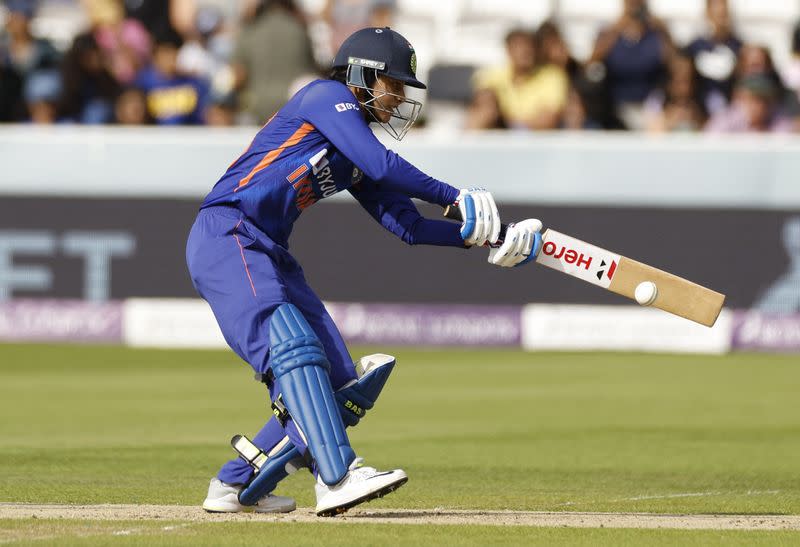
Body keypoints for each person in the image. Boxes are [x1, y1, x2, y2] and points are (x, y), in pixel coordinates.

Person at [186, 27, 543, 517]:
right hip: (229, 233)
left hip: (266, 248)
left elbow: (410, 226)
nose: (398, 100)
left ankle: (233, 484)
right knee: (292, 345)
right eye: (393, 85)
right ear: (362, 75)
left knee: (337, 381)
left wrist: (492, 235)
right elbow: (380, 161)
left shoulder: (354, 154)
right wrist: (455, 195)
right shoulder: (324, 96)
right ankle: (337, 478)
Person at [588, 0, 673, 130]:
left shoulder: (656, 33)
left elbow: (674, 64)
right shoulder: (610, 33)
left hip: (651, 107)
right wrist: (615, 30)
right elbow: (591, 65)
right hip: (616, 110)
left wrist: (663, 30)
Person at [471, 28, 569, 130]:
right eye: (518, 47)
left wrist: (507, 123)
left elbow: (547, 121)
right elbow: (481, 112)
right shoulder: (491, 76)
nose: (525, 51)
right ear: (508, 50)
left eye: (528, 46)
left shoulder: (553, 77)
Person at [685, 0, 742, 116]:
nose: (720, 19)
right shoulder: (695, 47)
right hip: (699, 110)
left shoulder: (738, 47)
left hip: (729, 110)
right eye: (717, 14)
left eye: (723, 14)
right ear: (708, 14)